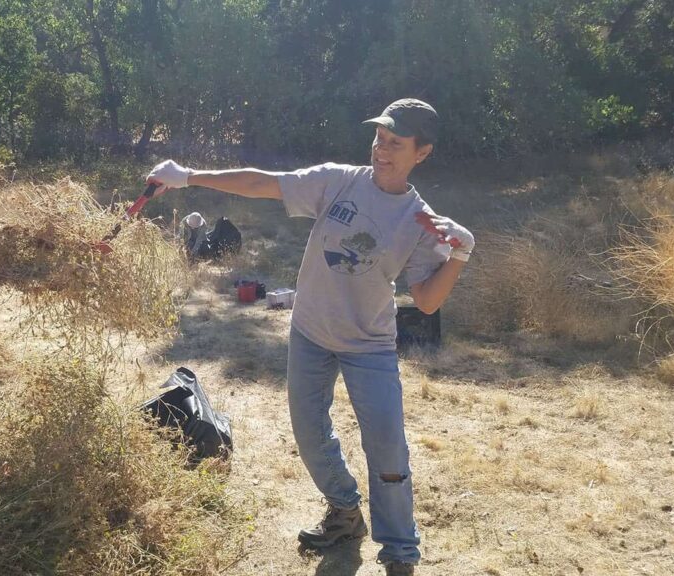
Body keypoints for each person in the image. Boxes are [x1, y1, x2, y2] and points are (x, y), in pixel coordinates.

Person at [146, 99, 474, 576]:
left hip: (369, 343)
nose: (382, 150)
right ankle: (344, 511)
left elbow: (426, 301)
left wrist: (460, 254)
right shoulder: (340, 180)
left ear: (422, 153)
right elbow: (263, 182)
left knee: (386, 447)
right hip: (310, 331)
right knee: (308, 433)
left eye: (396, 144)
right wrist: (190, 175)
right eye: (379, 139)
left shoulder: (421, 221)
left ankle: (400, 551)